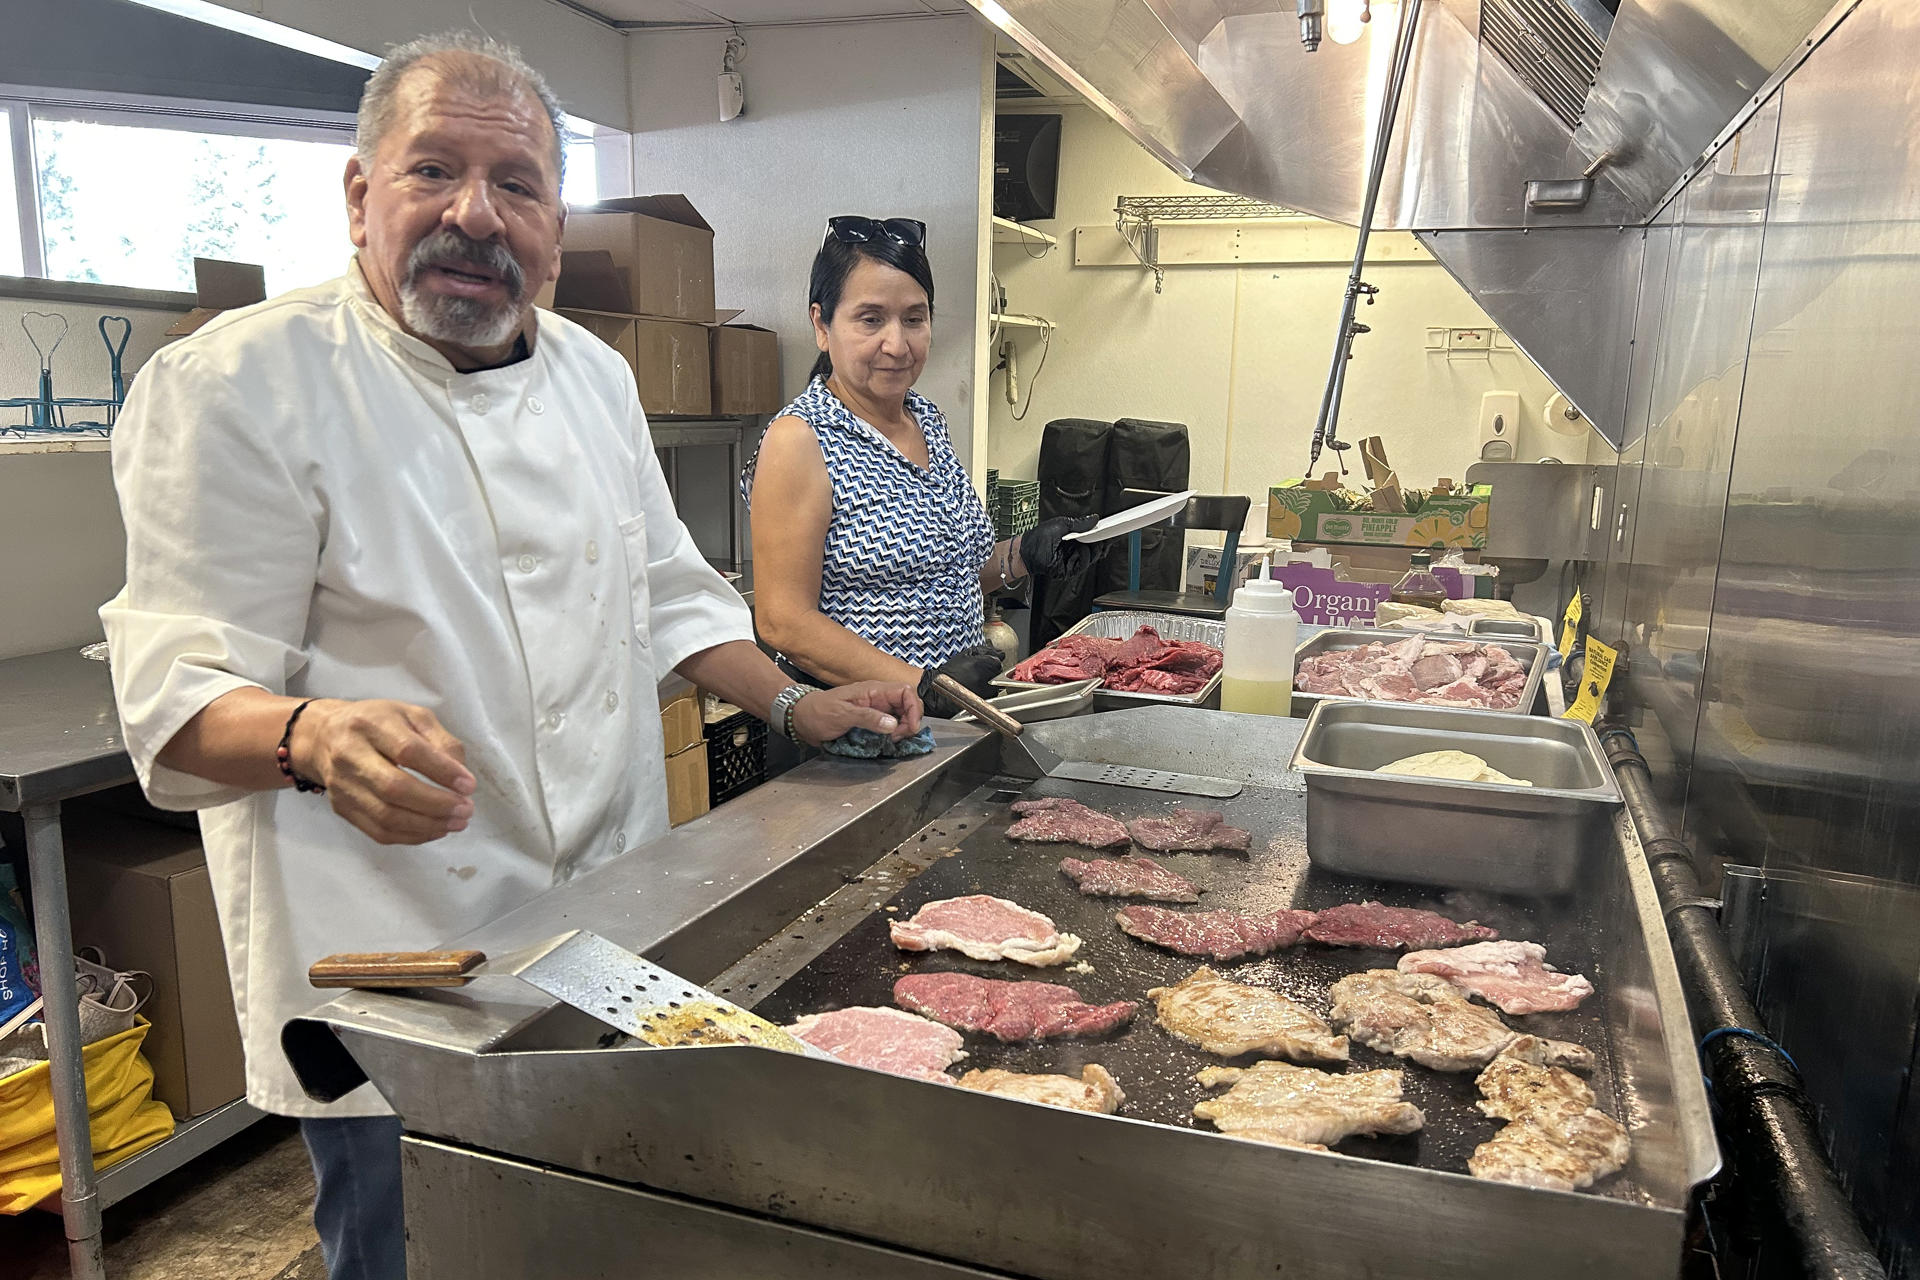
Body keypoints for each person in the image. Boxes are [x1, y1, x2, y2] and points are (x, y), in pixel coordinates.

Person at [99, 32, 918, 1280]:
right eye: (433, 171)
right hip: (398, 959)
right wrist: (312, 734)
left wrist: (795, 703)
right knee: (417, 1250)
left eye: (519, 183)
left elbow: (670, 590)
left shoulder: (591, 371)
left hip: (605, 911)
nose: (475, 214)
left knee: (596, 1237)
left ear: (553, 222)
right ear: (361, 195)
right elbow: (172, 699)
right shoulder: (235, 386)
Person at [742, 218, 1094, 719]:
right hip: (862, 733)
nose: (897, 344)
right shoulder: (800, 440)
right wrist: (923, 686)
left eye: (914, 318)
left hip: (953, 721)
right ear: (822, 325)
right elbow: (783, 621)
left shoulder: (925, 420)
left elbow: (951, 573)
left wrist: (1026, 554)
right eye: (870, 319)